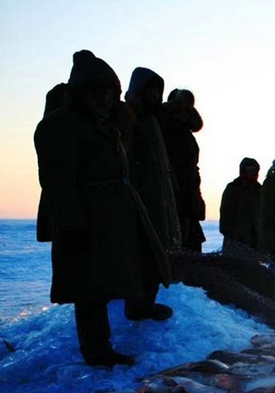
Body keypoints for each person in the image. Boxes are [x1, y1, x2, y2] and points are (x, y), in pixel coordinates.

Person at [34, 50, 171, 367]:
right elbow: (57, 182)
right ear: (85, 93)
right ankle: (96, 350)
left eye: (113, 92)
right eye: (102, 92)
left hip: (117, 211)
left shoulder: (107, 123)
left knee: (144, 262)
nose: (110, 99)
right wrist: (72, 224)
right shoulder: (60, 126)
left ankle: (139, 308)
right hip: (86, 215)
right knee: (90, 286)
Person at [121, 66, 180, 321]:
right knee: (142, 255)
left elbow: (162, 164)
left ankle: (145, 303)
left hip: (159, 197)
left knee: (156, 254)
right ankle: (137, 306)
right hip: (140, 197)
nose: (155, 95)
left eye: (157, 91)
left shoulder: (153, 120)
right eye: (150, 91)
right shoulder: (129, 119)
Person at [160, 88, 206, 253]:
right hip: (173, 196)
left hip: (188, 197)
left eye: (186, 111)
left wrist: (197, 198)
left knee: (191, 247)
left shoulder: (186, 135)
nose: (183, 114)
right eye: (180, 110)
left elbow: (192, 169)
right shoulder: (165, 131)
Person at [220, 157, 262, 254]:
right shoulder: (233, 188)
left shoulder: (260, 190)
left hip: (256, 241)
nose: (252, 173)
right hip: (235, 241)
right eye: (249, 170)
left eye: (254, 170)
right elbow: (225, 213)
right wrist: (230, 234)